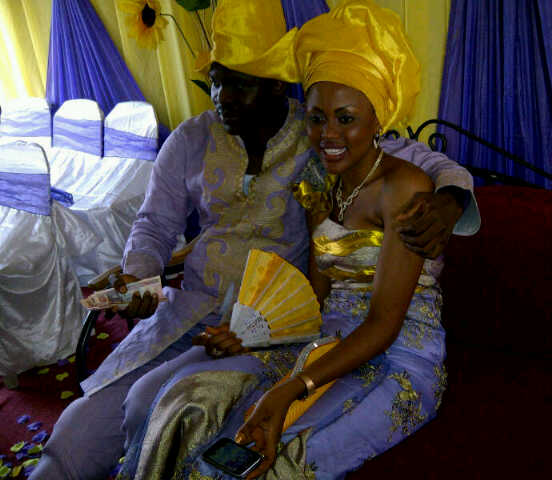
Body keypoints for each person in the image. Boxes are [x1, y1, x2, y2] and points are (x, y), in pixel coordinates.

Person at [31, 1, 478, 479]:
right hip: (193, 315)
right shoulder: (196, 140)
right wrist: (139, 276)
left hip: (275, 329)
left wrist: (451, 199)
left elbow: (416, 163)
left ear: (275, 84)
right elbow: (153, 225)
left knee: (182, 420)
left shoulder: (320, 137)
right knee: (78, 435)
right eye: (217, 79)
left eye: (240, 83)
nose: (222, 95)